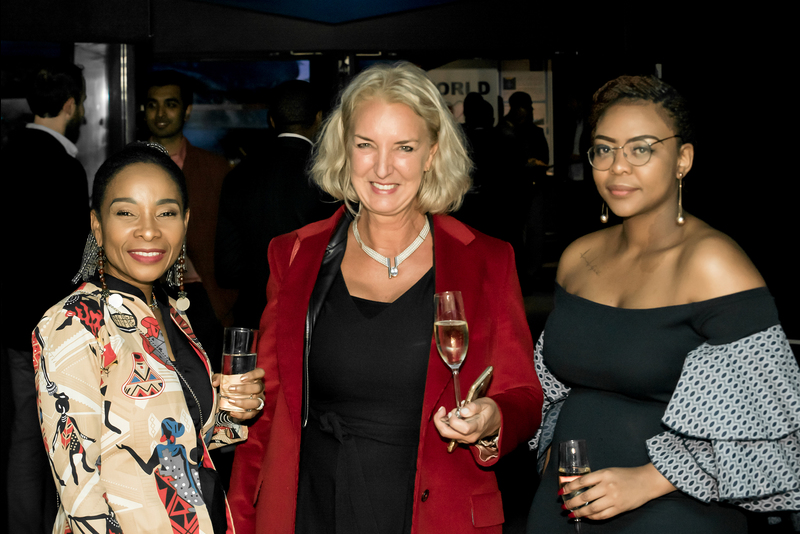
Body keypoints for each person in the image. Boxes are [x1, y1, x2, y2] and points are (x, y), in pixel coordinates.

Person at [227, 62, 543, 534]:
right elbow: (267, 412)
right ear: (344, 148)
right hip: (314, 507)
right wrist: (241, 515)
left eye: (404, 148)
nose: (381, 168)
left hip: (437, 514)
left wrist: (493, 418)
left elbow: (523, 394)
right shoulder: (295, 256)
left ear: (432, 153)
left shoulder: (486, 261)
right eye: (365, 145)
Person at [526, 75, 800, 533]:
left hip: (673, 511)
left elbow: (775, 427)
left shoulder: (713, 264)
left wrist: (651, 481)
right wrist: (550, 447)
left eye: (641, 148)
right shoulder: (578, 257)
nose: (618, 167)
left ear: (683, 159)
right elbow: (552, 385)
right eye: (605, 148)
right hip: (565, 501)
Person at [32, 142, 266, 533]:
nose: (149, 229)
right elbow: (80, 488)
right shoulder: (73, 323)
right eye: (126, 212)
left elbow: (176, 436)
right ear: (97, 226)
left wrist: (231, 411)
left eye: (166, 213)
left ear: (186, 222)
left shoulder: (171, 313)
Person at [1, 61, 88, 534]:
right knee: (61, 434)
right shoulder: (65, 167)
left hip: (14, 323)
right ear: (72, 105)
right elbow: (77, 255)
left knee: (23, 434)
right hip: (56, 328)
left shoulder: (8, 154)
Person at [215, 79, 338, 328]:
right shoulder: (329, 177)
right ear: (318, 119)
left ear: (271, 120)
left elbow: (228, 271)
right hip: (314, 316)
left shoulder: (238, 176)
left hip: (255, 319)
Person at [144, 70, 236, 364]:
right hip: (145, 295)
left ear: (186, 111)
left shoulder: (214, 169)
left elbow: (232, 237)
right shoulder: (126, 168)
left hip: (204, 295)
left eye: (170, 104)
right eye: (152, 104)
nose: (160, 113)